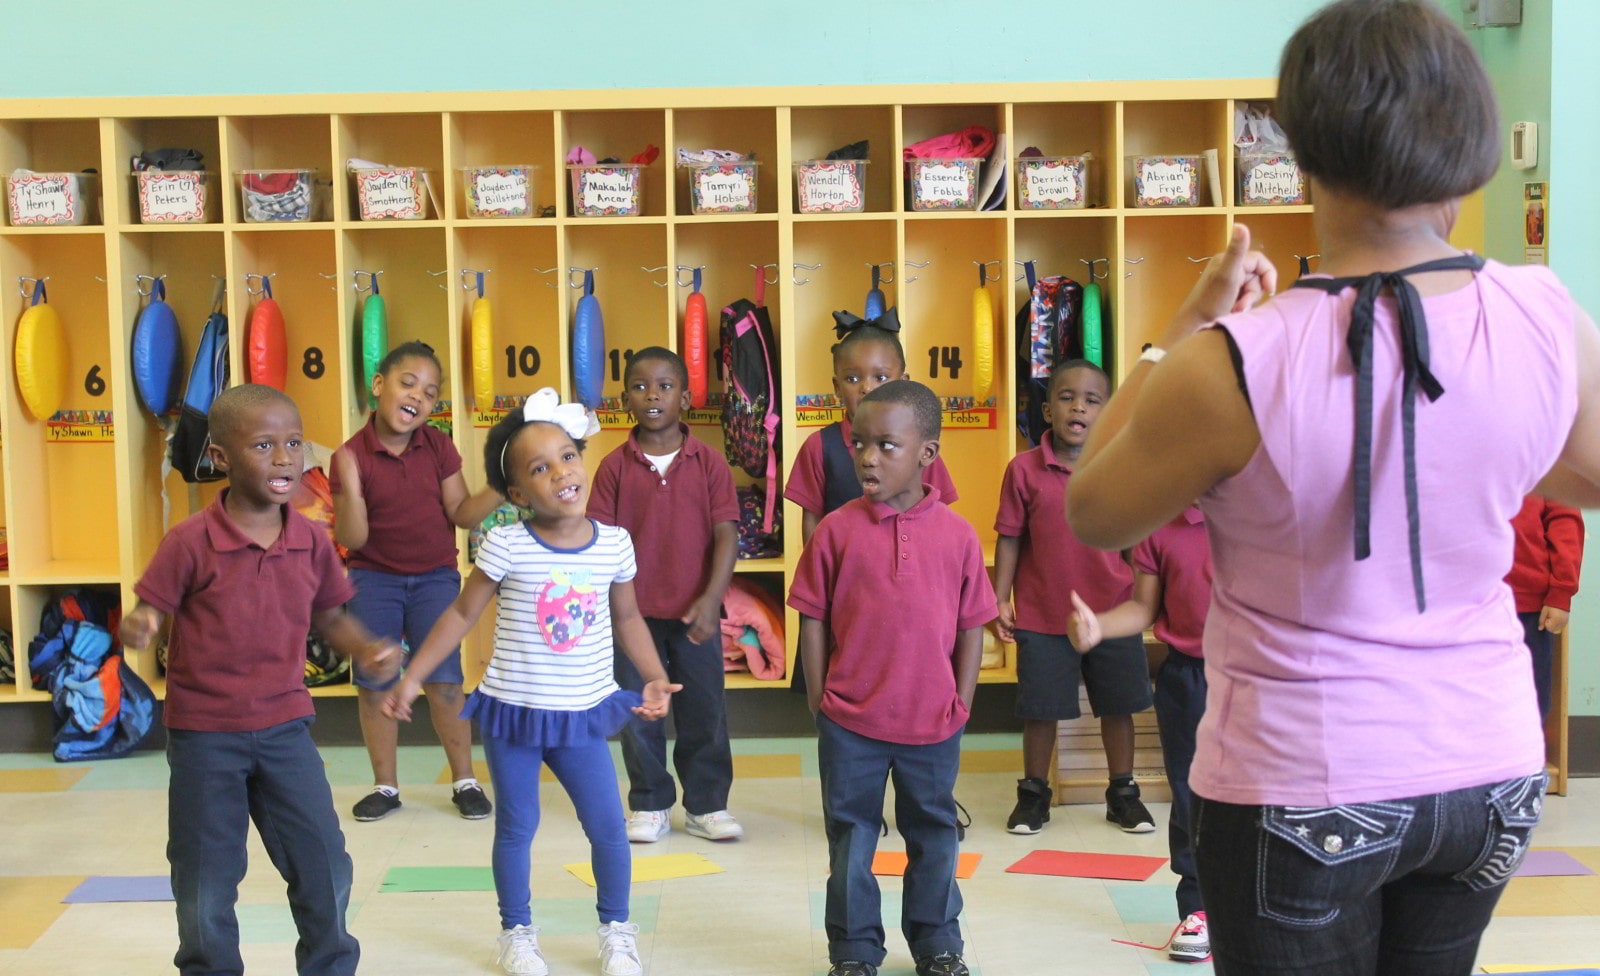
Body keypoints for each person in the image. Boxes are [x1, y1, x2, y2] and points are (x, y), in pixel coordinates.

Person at [1066, 2, 1600, 972]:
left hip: (1302, 779)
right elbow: (1586, 471)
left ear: (1300, 150)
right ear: (1473, 146)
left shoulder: (1232, 361)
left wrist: (1177, 327)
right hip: (1488, 771)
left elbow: (1093, 508)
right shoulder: (1544, 314)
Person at [383, 388, 680, 976]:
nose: (560, 473)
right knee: (517, 827)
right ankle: (517, 932)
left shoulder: (613, 545)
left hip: (582, 714)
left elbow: (628, 618)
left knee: (606, 827)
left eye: (567, 456)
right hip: (514, 712)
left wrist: (654, 678)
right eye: (539, 469)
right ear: (518, 494)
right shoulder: (506, 542)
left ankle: (616, 929)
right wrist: (413, 675)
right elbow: (461, 615)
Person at [119, 384, 400, 976]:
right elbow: (152, 606)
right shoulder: (190, 541)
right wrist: (143, 623)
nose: (283, 458)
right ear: (221, 458)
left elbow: (330, 616)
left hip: (284, 729)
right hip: (204, 736)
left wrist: (370, 650)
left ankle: (329, 965)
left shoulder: (309, 539)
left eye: (294, 444)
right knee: (205, 875)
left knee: (324, 862)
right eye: (264, 445)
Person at [789, 380, 996, 976]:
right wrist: (818, 699)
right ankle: (853, 951)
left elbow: (973, 626)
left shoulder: (957, 536)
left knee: (933, 834)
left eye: (886, 445)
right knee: (851, 837)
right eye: (859, 444)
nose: (866, 457)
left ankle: (937, 943)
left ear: (927, 454)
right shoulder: (834, 530)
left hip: (933, 721)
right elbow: (813, 619)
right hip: (850, 720)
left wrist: (961, 701)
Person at [331, 340, 505, 822]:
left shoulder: (438, 445)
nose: (418, 397)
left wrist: (502, 483)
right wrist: (347, 483)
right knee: (375, 683)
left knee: (446, 682)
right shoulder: (350, 455)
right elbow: (354, 537)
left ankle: (464, 780)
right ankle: (385, 786)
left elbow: (463, 514)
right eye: (408, 384)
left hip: (435, 579)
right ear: (378, 385)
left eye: (430, 393)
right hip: (372, 579)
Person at [993, 359, 1156, 835]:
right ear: (1047, 410)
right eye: (1066, 397)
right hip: (1043, 617)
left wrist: (1139, 601)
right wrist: (1000, 598)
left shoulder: (1121, 469)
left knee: (1118, 705)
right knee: (1040, 710)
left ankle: (1123, 793)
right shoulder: (1023, 470)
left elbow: (1137, 541)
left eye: (1091, 399)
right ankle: (1033, 795)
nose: (1078, 406)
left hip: (1110, 614)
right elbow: (1008, 537)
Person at [587, 347, 743, 843]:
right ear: (624, 397)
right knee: (640, 712)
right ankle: (650, 803)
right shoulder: (613, 467)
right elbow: (600, 541)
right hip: (633, 617)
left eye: (665, 385)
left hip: (696, 614)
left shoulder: (709, 462)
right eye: (639, 386)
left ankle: (707, 805)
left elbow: (726, 532)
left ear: (686, 396)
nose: (652, 395)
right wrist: (613, 608)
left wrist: (711, 596)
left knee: (705, 711)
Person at [1067, 506, 1214, 962]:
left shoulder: (1267, 513)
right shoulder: (1161, 528)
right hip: (1189, 678)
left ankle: (1269, 902)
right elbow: (1143, 607)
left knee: (1270, 796)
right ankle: (1198, 909)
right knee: (1191, 796)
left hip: (1264, 675)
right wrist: (1099, 627)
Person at [785, 308, 960, 546]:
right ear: (837, 387)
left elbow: (940, 517)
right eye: (853, 379)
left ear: (903, 383)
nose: (867, 388)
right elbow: (812, 524)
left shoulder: (917, 446)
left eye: (881, 377)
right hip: (846, 578)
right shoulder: (819, 447)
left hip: (909, 575)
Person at [1506, 495, 1584, 721]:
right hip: (1461, 601)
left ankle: (1526, 754)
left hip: (1527, 606)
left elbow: (1565, 518)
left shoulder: (1544, 461)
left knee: (1529, 698)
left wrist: (1561, 591)